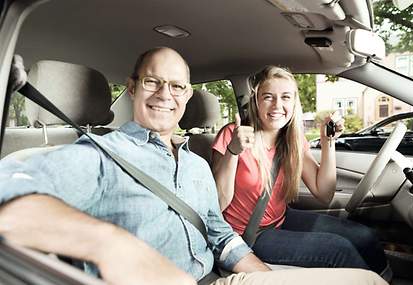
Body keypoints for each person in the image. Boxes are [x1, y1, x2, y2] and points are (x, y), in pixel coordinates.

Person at [0, 48, 387, 285]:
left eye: (177, 86)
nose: (165, 95)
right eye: (153, 82)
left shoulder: (193, 165)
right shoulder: (100, 154)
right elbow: (7, 187)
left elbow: (221, 236)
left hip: (220, 275)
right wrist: (107, 243)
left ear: (187, 95)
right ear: (132, 87)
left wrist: (267, 279)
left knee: (367, 280)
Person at [211, 65, 390, 279]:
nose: (277, 105)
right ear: (256, 101)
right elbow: (218, 203)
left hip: (280, 220)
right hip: (248, 235)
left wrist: (327, 142)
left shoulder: (292, 140)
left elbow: (324, 194)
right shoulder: (232, 135)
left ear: (294, 103)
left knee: (364, 235)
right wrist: (233, 151)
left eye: (285, 97)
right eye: (268, 97)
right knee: (339, 250)